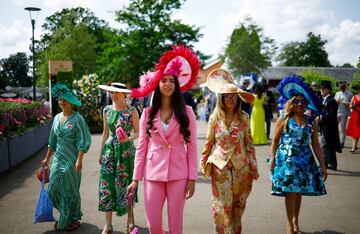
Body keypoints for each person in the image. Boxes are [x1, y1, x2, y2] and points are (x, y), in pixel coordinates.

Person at [127, 45, 200, 233]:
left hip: (179, 173)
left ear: (177, 86)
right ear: (157, 85)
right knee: (154, 224)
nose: (167, 84)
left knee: (176, 224)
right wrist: (135, 178)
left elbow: (192, 146)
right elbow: (141, 147)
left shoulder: (187, 112)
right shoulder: (147, 113)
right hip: (152, 173)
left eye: (171, 81)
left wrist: (192, 177)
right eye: (164, 80)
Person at [200, 68, 258, 233]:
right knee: (222, 206)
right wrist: (203, 164)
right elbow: (209, 143)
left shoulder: (244, 117)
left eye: (233, 96)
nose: (231, 99)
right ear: (221, 98)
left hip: (242, 168)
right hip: (220, 167)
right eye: (227, 96)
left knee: (238, 207)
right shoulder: (214, 118)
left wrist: (254, 166)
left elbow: (249, 144)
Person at [269, 76, 327, 234]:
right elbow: (274, 140)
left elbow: (315, 144)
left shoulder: (311, 121)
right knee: (290, 192)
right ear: (291, 102)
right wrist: (273, 158)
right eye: (296, 101)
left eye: (303, 101)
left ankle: (295, 222)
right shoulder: (284, 118)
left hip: (305, 160)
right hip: (287, 160)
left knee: (298, 191)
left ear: (307, 103)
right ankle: (290, 225)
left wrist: (323, 165)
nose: (300, 104)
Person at [41, 83, 91, 231]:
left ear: (71, 102)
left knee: (70, 189)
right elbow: (52, 141)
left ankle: (71, 218)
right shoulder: (56, 118)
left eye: (65, 100)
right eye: (60, 99)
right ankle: (65, 214)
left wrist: (79, 160)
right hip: (58, 157)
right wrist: (46, 159)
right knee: (53, 188)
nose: (61, 102)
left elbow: (83, 140)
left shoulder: (78, 119)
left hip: (72, 158)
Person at [97, 82, 140, 234]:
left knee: (127, 186)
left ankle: (130, 221)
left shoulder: (132, 110)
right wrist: (101, 153)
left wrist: (127, 139)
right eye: (111, 92)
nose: (113, 95)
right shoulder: (107, 110)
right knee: (106, 187)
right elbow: (105, 134)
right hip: (110, 151)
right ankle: (108, 225)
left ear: (124, 94)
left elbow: (138, 133)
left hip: (126, 152)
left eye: (116, 92)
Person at [318, 80, 342, 171]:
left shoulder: (331, 101)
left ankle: (323, 166)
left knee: (324, 146)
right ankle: (333, 164)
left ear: (328, 90)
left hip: (329, 127)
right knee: (330, 146)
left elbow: (332, 115)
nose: (322, 90)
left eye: (324, 89)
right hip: (325, 126)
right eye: (321, 88)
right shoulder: (324, 100)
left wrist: (320, 117)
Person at [334, 81, 353, 148]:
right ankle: (335, 141)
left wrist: (346, 103)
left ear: (345, 87)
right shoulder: (337, 93)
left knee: (342, 129)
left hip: (344, 113)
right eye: (340, 87)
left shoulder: (349, 94)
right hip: (337, 112)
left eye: (342, 87)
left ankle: (342, 142)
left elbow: (352, 104)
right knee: (334, 127)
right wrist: (336, 102)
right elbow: (333, 103)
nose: (341, 88)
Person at [346, 85, 360, 153]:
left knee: (357, 132)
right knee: (355, 131)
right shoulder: (354, 97)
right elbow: (350, 105)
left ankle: (354, 147)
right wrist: (352, 106)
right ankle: (354, 147)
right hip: (355, 115)